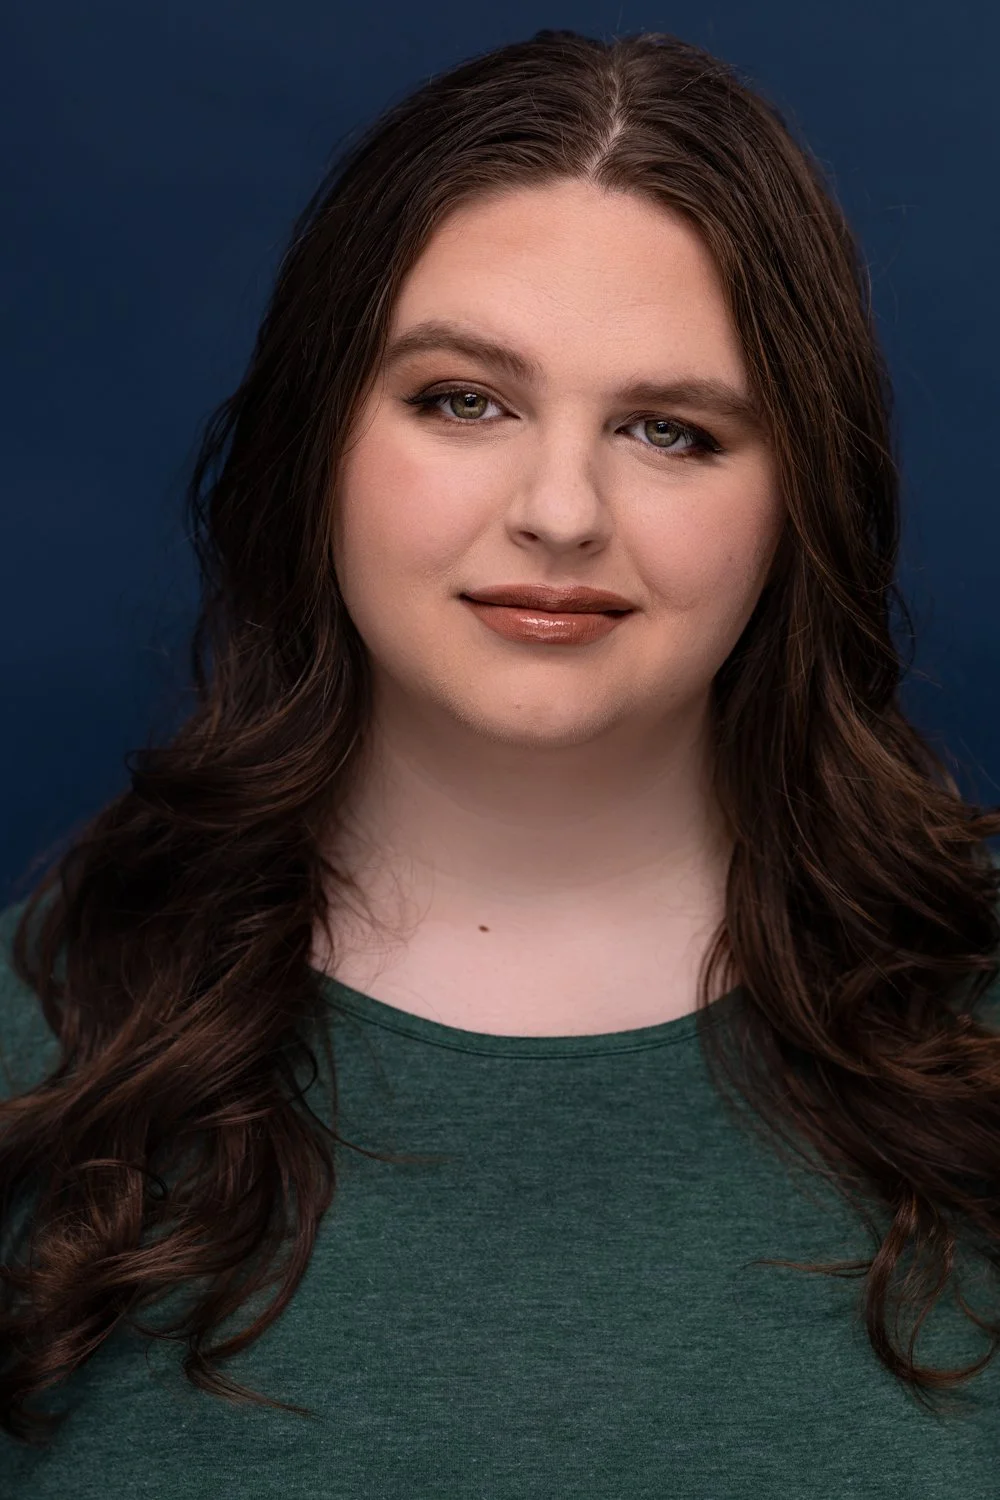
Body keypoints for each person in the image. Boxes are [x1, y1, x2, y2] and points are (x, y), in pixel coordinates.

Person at [2, 26, 1000, 1496]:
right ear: (316, 441)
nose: (559, 509)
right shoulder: (35, 1067)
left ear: (802, 500)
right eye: (463, 400)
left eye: (671, 429)